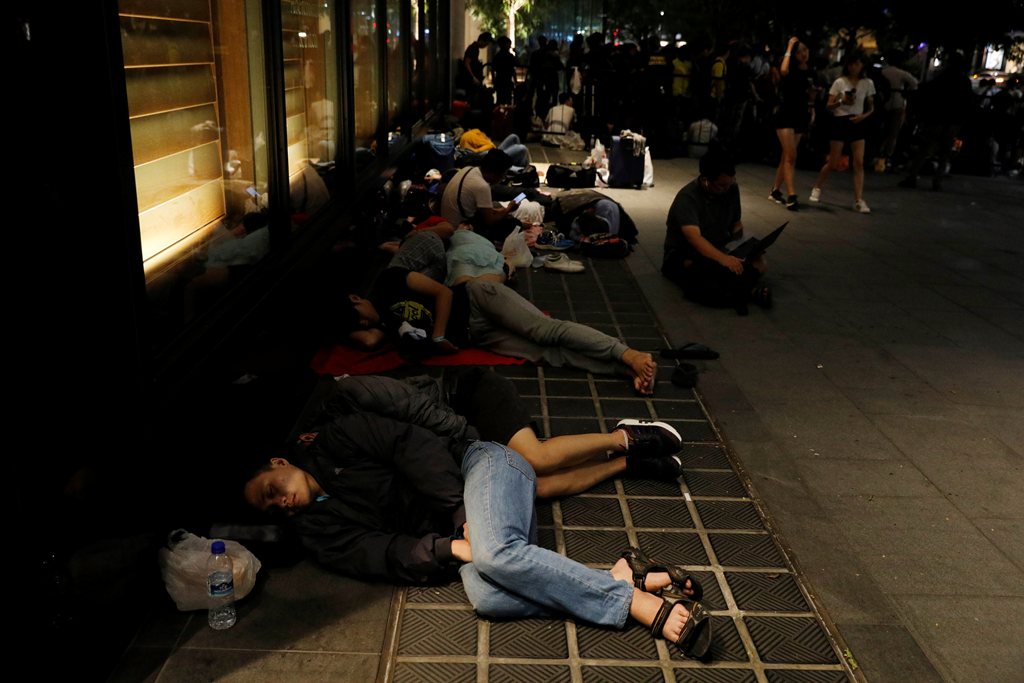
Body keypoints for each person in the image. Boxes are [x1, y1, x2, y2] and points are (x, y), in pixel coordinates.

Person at [243, 372, 711, 657]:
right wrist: (449, 545)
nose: (279, 501)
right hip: (460, 524)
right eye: (270, 506)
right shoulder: (317, 529)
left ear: (281, 465)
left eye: (272, 489)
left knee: (494, 555)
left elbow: (414, 447)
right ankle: (623, 578)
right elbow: (376, 553)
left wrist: (457, 512)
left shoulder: (338, 437)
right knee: (489, 598)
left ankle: (637, 605)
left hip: (481, 463)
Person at [343, 258, 659, 394]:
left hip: (478, 299)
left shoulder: (388, 282)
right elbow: (368, 342)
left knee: (544, 330)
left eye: (357, 314)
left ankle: (628, 353)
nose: (362, 323)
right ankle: (625, 370)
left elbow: (441, 292)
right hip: (479, 335)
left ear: (357, 296)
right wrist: (353, 327)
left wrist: (438, 335)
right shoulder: (382, 325)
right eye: (355, 325)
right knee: (547, 355)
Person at [662, 146, 769, 314]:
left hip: (721, 245)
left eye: (730, 182)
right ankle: (748, 291)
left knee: (758, 263)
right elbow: (694, 238)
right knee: (704, 274)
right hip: (686, 254)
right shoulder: (688, 198)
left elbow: (736, 224)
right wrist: (723, 259)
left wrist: (746, 245)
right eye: (721, 185)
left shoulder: (731, 188)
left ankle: (737, 287)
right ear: (706, 180)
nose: (727, 188)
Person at [809, 52, 876, 213]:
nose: (854, 67)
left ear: (862, 66)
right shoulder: (840, 82)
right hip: (840, 121)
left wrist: (863, 116)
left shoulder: (867, 83)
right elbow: (828, 106)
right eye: (852, 64)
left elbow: (871, 106)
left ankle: (859, 199)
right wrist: (841, 101)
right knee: (833, 162)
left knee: (858, 162)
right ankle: (817, 187)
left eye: (858, 64)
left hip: (857, 122)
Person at [769, 37, 817, 210]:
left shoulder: (810, 71)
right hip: (785, 114)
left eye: (805, 50)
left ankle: (775, 190)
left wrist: (812, 106)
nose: (803, 54)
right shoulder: (789, 68)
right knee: (791, 156)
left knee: (787, 156)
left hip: (800, 115)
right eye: (799, 51)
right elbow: (783, 70)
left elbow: (811, 95)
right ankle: (791, 194)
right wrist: (789, 46)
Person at [440, 149, 523, 242]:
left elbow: (470, 203)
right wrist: (509, 209)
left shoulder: (468, 169)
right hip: (458, 229)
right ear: (496, 173)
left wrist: (500, 211)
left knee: (496, 207)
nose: (503, 178)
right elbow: (489, 222)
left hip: (448, 220)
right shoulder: (482, 186)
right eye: (503, 175)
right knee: (511, 224)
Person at [875, 51, 918, 172]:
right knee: (893, 132)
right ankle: (887, 156)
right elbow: (915, 83)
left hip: (883, 103)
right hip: (898, 102)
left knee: (881, 130)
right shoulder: (901, 73)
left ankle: (877, 153)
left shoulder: (883, 72)